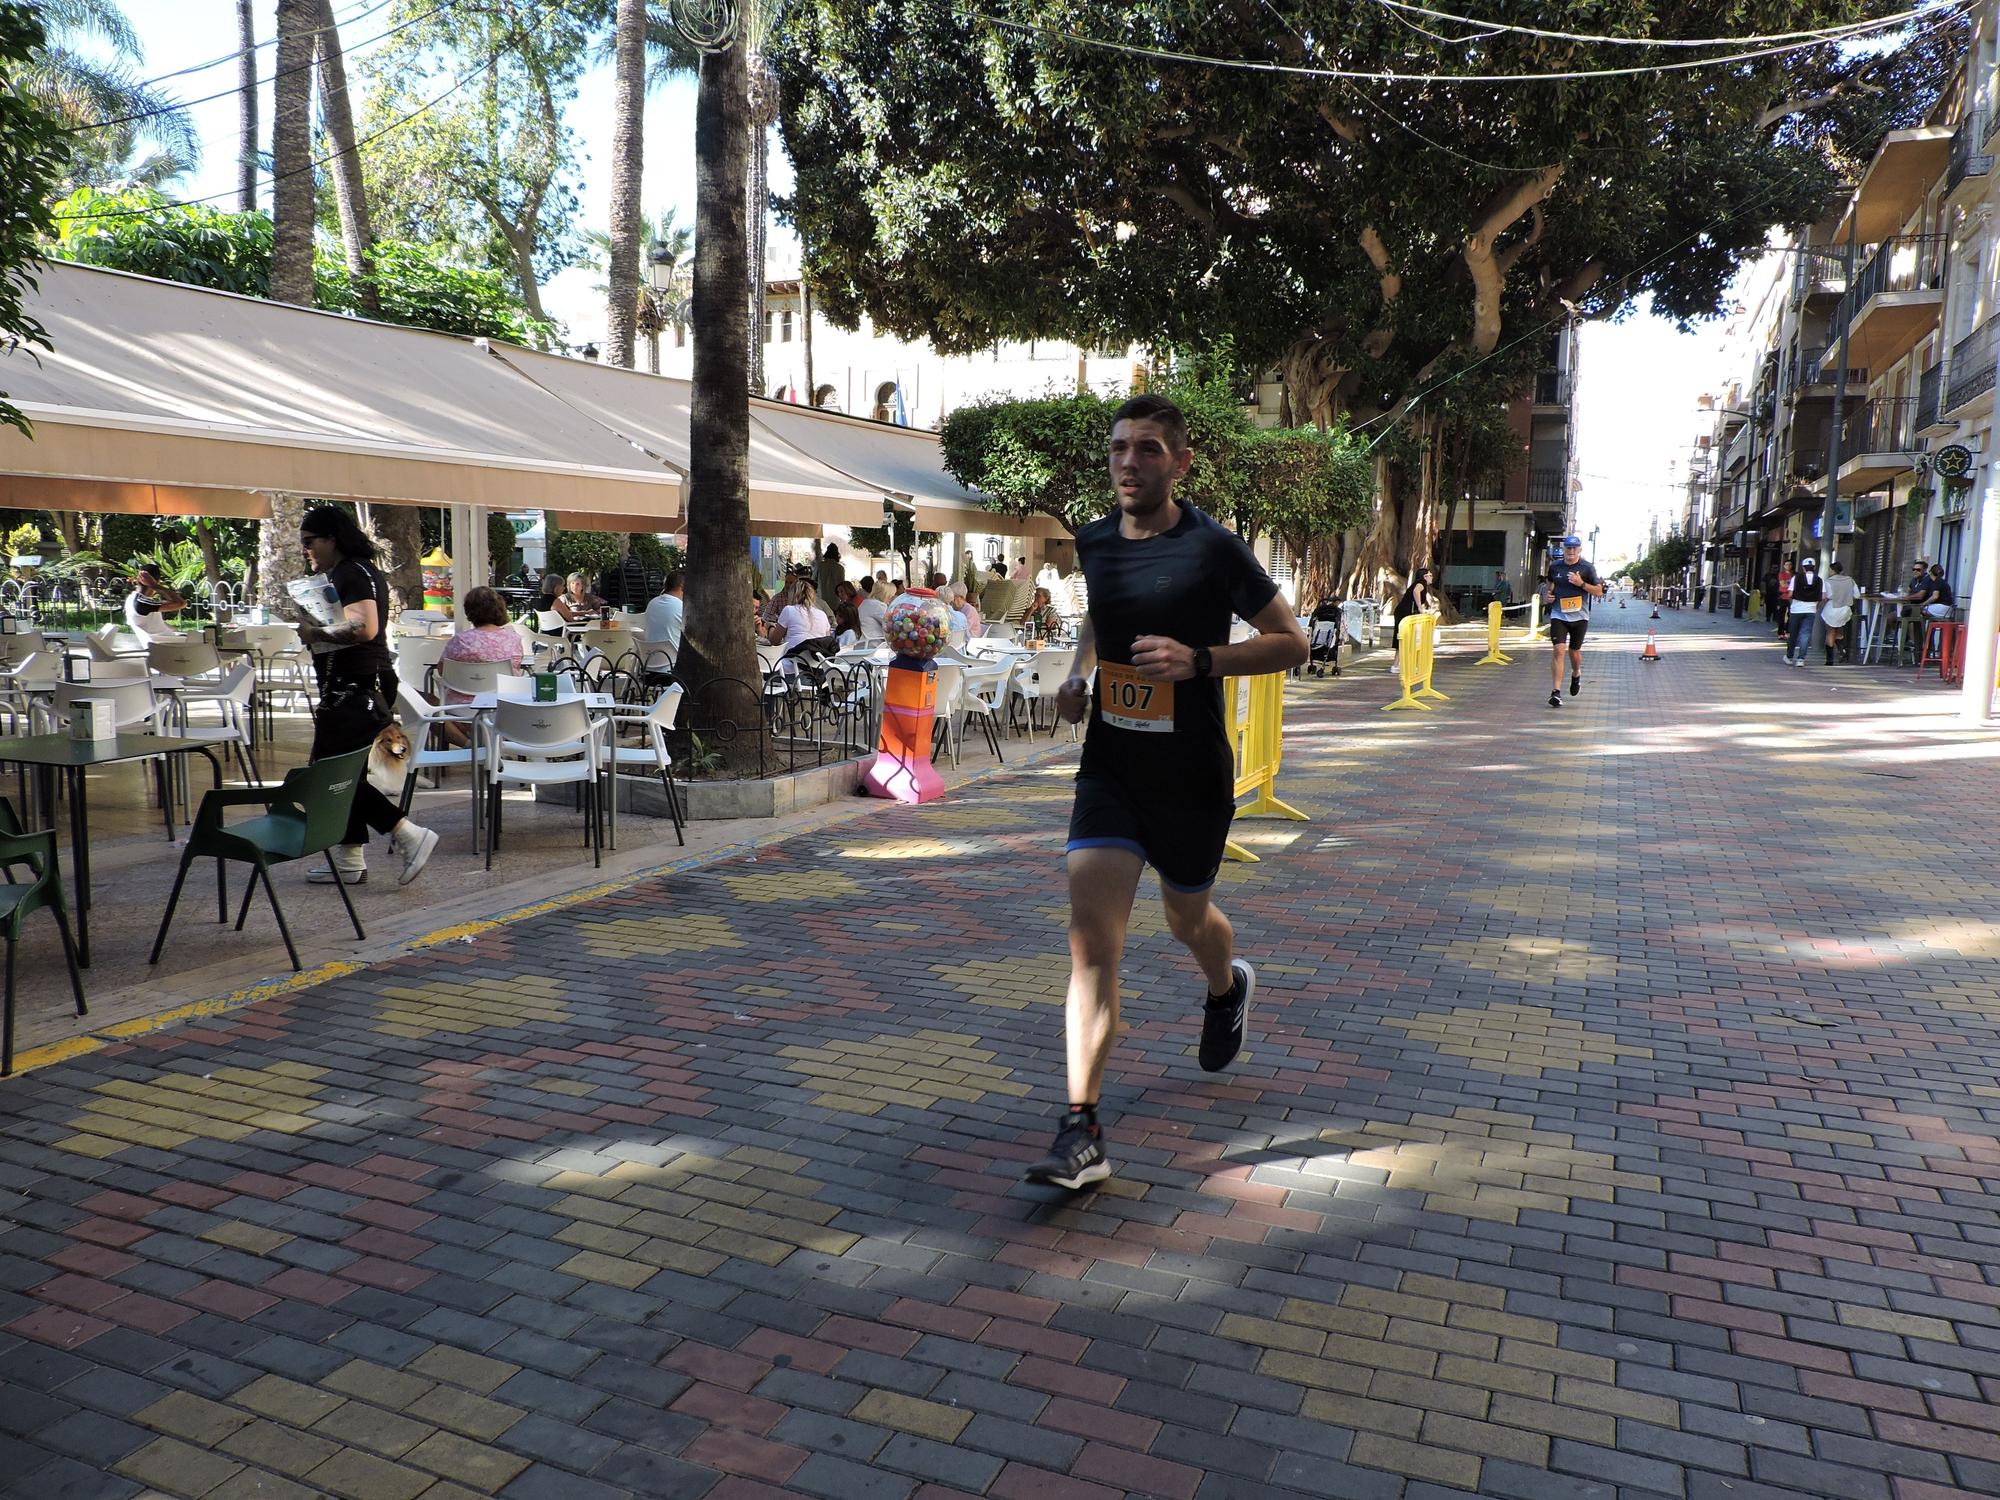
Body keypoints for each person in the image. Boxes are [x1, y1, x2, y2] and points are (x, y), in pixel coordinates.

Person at [1025, 394, 1307, 1190]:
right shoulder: (1094, 542)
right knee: (1092, 944)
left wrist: (1200, 660)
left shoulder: (1215, 547)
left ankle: (1227, 985)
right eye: (1118, 448)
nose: (1128, 462)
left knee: (1187, 919)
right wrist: (1079, 676)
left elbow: (1292, 640)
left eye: (1148, 449)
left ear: (1179, 462)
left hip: (1191, 777)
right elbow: (1100, 622)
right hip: (1111, 770)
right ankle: (1081, 1128)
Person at [292, 505, 438, 887]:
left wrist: (314, 633)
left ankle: (407, 833)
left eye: (310, 542)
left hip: (355, 687)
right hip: (357, 685)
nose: (306, 550)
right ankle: (350, 857)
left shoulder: (352, 573)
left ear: (331, 539)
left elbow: (364, 628)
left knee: (331, 777)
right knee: (346, 777)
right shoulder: (350, 572)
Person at [1543, 534, 1604, 708]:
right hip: (1559, 614)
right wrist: (1550, 596)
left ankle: (1576, 673)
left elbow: (1599, 592)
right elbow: (1551, 584)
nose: (1571, 551)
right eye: (1568, 548)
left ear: (1579, 550)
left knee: (1574, 652)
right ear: (1563, 549)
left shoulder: (1587, 568)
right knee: (1558, 650)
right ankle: (1556, 692)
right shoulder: (1555, 566)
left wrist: (1581, 584)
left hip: (1580, 616)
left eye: (1574, 548)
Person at [767, 578, 832, 659]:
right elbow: (827, 640)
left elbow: (774, 641)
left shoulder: (789, 610)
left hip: (793, 663)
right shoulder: (822, 615)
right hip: (817, 664)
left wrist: (770, 627)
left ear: (792, 595)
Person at [1390, 565, 1433, 675]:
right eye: (1430, 575)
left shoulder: (1422, 584)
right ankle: (1402, 665)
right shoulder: (1421, 583)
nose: (1431, 577)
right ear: (1424, 576)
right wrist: (1420, 607)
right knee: (1405, 637)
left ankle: (1397, 665)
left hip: (1405, 612)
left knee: (1406, 638)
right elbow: (1416, 592)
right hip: (1405, 613)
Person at [125, 563, 185, 638]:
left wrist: (177, 631)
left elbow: (156, 624)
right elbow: (181, 603)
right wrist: (154, 585)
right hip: (168, 644)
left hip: (163, 642)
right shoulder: (141, 602)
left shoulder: (132, 599)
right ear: (158, 581)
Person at [1784, 555, 1824, 666]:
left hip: (1796, 610)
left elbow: (1790, 594)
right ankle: (1801, 659)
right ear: (1814, 567)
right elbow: (1823, 596)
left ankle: (1789, 656)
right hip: (1811, 610)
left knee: (1793, 634)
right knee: (1805, 634)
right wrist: (1816, 605)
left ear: (1803, 567)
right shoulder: (1819, 580)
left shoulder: (1796, 578)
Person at [1820, 560, 1859, 665]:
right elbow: (1857, 595)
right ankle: (1842, 651)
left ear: (1833, 570)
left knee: (1830, 632)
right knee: (1839, 631)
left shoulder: (1828, 581)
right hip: (1845, 609)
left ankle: (1830, 659)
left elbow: (1828, 596)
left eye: (1829, 569)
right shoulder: (1850, 580)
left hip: (1832, 608)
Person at [643, 569, 685, 660]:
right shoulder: (682, 607)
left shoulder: (652, 603)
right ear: (681, 587)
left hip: (649, 663)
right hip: (673, 666)